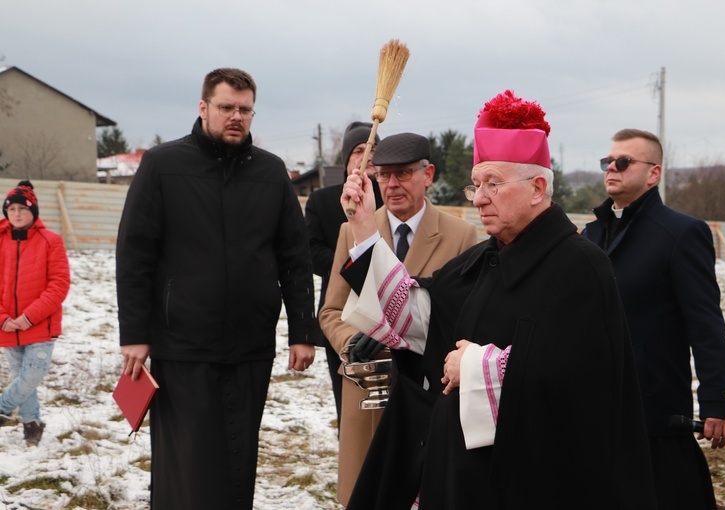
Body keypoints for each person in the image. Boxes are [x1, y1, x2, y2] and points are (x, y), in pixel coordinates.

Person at [337, 90, 658, 509]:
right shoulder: (482, 257)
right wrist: (363, 225)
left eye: (493, 183)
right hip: (464, 474)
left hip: (536, 481)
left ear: (538, 188)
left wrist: (472, 365)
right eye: (476, 185)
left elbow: (580, 382)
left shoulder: (580, 266)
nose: (480, 197)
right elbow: (418, 319)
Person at [116, 68, 319, 510]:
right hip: (183, 342)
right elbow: (135, 254)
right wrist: (134, 332)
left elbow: (295, 258)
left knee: (237, 454)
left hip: (250, 344)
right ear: (203, 107)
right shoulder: (163, 165)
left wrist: (303, 330)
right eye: (226, 107)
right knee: (188, 458)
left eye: (245, 109)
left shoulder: (271, 172)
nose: (236, 117)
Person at [582, 128, 725, 509]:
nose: (612, 169)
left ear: (653, 173)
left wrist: (717, 402)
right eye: (608, 162)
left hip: (654, 406)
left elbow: (705, 323)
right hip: (593, 404)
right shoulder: (589, 235)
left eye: (624, 162)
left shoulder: (682, 233)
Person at [319, 132, 478, 506]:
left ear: (428, 174)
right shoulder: (352, 231)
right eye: (383, 175)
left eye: (403, 174)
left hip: (428, 392)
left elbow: (465, 317)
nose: (391, 185)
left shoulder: (460, 235)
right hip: (369, 393)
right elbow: (330, 310)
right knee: (369, 493)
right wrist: (353, 341)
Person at [305, 121, 384, 430]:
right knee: (348, 401)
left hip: (383, 310)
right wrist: (354, 265)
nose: (368, 156)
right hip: (341, 314)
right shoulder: (322, 201)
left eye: (375, 150)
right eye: (360, 150)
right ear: (347, 158)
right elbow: (311, 251)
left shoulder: (389, 199)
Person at [0, 180, 70, 447]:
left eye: (23, 208)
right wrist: (4, 319)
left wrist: (28, 317)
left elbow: (59, 284)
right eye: (12, 208)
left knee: (31, 376)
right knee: (22, 380)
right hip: (7, 326)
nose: (17, 214)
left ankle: (3, 407)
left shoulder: (50, 241)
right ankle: (32, 424)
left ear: (34, 211)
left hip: (40, 324)